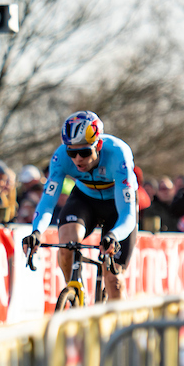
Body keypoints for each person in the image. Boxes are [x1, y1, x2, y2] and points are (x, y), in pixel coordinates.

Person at [23, 111, 139, 302]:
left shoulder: (119, 154)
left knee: (113, 280)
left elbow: (127, 216)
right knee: (67, 243)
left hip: (117, 206)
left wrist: (113, 236)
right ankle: (76, 296)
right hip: (85, 199)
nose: (77, 158)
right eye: (72, 152)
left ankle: (118, 328)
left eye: (84, 152)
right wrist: (36, 232)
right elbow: (47, 202)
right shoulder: (60, 158)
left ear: (98, 145)